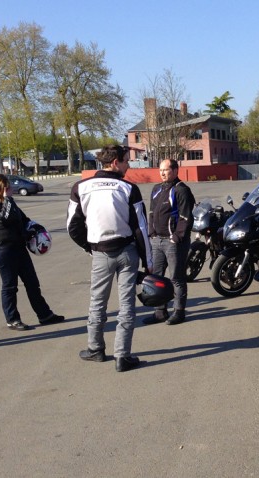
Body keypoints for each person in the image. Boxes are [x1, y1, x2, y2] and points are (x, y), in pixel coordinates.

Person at [67, 145, 152, 372]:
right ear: (115, 162)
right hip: (127, 252)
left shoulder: (81, 187)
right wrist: (149, 262)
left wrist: (90, 247)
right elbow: (141, 228)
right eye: (126, 161)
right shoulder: (128, 188)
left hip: (100, 253)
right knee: (127, 306)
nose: (129, 165)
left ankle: (95, 349)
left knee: (97, 303)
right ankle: (122, 357)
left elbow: (72, 226)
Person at [0, 173, 64, 331]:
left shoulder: (9, 203)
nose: (10, 189)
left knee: (32, 283)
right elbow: (2, 219)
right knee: (10, 286)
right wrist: (8, 199)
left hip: (18, 246)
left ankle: (44, 314)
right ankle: (12, 319)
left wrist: (36, 227)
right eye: (6, 187)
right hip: (2, 249)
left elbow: (23, 219)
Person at [143, 158, 195, 325]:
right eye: (160, 170)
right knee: (156, 277)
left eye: (166, 170)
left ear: (175, 171)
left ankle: (179, 312)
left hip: (173, 242)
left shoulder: (182, 190)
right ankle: (160, 312)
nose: (162, 173)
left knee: (176, 278)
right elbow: (151, 213)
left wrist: (177, 237)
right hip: (156, 240)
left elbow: (185, 217)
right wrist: (151, 233)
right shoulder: (157, 189)